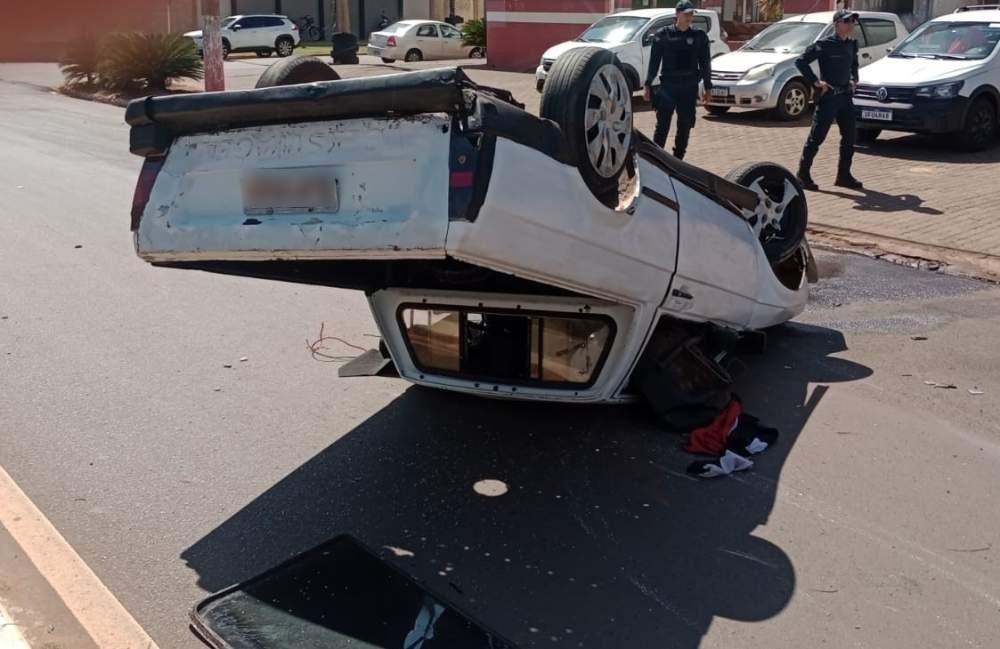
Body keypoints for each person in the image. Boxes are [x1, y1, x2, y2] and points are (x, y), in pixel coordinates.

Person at [795, 9, 863, 191]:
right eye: (847, 21)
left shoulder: (851, 44)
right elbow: (801, 61)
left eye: (852, 21)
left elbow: (854, 64)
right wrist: (816, 82)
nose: (851, 25)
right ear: (837, 24)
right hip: (829, 98)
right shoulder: (824, 44)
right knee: (817, 137)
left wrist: (854, 79)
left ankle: (844, 175)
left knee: (850, 136)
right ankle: (802, 174)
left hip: (845, 97)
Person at [643, 0, 712, 160]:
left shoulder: (699, 37)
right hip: (668, 87)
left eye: (691, 14)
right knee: (662, 126)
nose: (689, 17)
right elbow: (654, 62)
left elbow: (705, 64)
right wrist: (648, 84)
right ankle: (656, 158)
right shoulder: (663, 35)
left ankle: (677, 160)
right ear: (677, 14)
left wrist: (708, 88)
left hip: (689, 87)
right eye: (685, 13)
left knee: (685, 125)